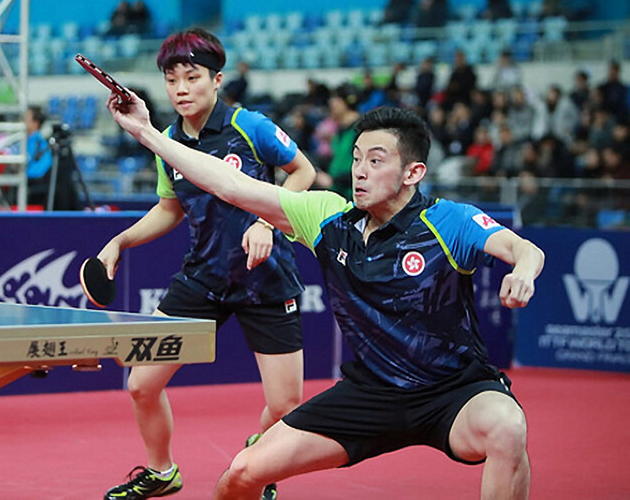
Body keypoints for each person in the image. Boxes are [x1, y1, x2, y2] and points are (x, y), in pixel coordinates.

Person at [104, 98, 545, 500]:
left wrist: (523, 270)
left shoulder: (448, 221)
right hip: (369, 394)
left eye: (376, 161)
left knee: (507, 428)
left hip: (454, 392)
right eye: (356, 159)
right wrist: (148, 134)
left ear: (413, 173)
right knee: (242, 473)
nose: (360, 171)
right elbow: (232, 186)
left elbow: (524, 249)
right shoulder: (327, 217)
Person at [100, 28, 316, 500]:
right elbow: (169, 208)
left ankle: (258, 462)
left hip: (267, 278)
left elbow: (304, 172)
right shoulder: (170, 142)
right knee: (141, 383)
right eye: (172, 79)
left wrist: (269, 221)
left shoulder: (250, 127)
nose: (181, 88)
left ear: (216, 79)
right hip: (204, 278)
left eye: (192, 77)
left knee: (285, 404)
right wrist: (121, 240)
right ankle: (161, 472)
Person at [25, 106, 52, 207]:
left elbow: (38, 171)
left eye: (26, 119)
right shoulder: (24, 141)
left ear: (35, 123)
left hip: (32, 192)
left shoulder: (39, 143)